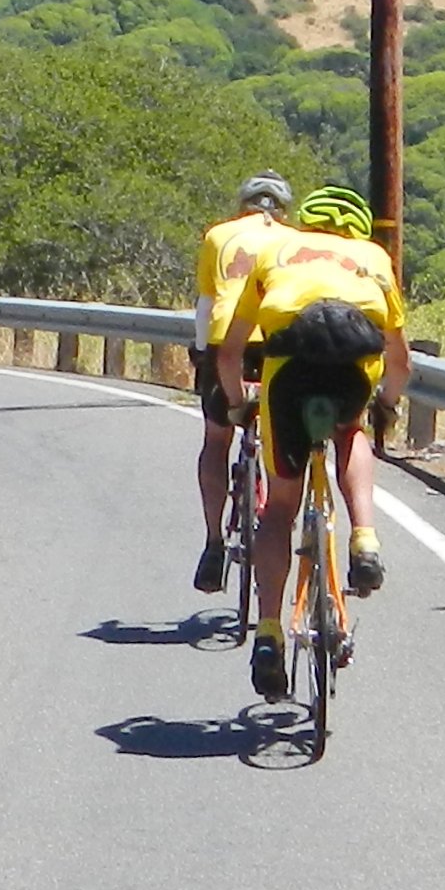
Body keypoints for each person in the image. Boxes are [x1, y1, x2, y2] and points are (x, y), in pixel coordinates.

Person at [209, 185, 406, 701]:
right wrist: (387, 402)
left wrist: (235, 405)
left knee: (279, 510)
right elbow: (401, 360)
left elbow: (231, 353)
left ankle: (270, 634)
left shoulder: (275, 251)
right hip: (351, 371)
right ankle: (364, 537)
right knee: (351, 431)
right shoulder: (375, 260)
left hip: (289, 373)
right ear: (359, 230)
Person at [187, 170, 301, 594]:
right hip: (279, 344)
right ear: (284, 208)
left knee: (217, 439)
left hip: (226, 344)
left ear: (244, 203)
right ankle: (275, 525)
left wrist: (202, 353)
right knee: (278, 442)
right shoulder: (293, 242)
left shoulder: (219, 236)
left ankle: (214, 542)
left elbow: (206, 303)